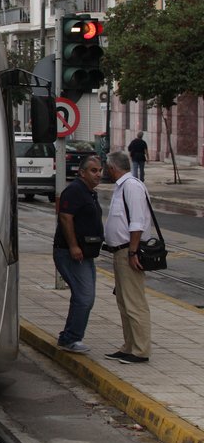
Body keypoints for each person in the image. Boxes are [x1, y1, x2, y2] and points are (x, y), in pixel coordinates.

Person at [103, 150, 152, 364]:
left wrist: (132, 252)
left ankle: (140, 350)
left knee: (134, 302)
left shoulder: (131, 186)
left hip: (128, 251)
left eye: (106, 167)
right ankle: (129, 345)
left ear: (113, 168)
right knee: (124, 301)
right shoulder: (121, 186)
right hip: (120, 252)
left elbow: (137, 222)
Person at [52, 155, 104, 353]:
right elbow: (65, 218)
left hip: (86, 254)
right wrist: (73, 246)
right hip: (70, 253)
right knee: (84, 297)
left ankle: (70, 336)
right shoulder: (75, 191)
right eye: (93, 170)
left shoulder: (89, 192)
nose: (98, 174)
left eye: (99, 170)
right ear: (82, 172)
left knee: (86, 297)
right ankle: (71, 338)